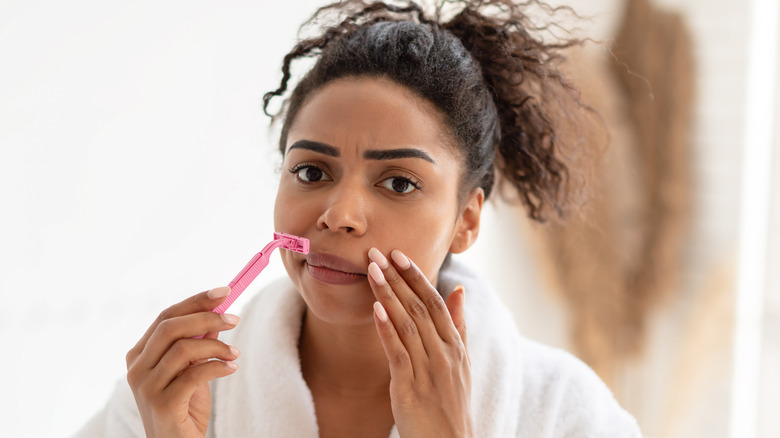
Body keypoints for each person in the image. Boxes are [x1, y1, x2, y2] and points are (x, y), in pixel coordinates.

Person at [76, 0, 642, 436]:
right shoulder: (166, 398)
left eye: (398, 182)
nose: (339, 214)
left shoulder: (567, 414)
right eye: (311, 172)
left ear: (466, 219)